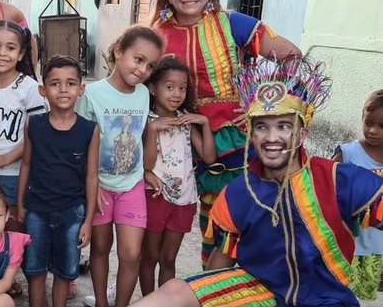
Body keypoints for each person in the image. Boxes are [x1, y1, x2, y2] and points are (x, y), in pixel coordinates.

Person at [133, 56, 383, 307]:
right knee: (176, 290)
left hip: (326, 300)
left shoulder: (338, 179)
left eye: (284, 126)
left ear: (302, 133)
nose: (271, 138)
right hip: (259, 293)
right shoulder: (237, 194)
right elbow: (217, 273)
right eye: (262, 127)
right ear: (251, 134)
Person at [130, 0, 300, 268]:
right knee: (189, 222)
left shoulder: (233, 23)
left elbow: (291, 56)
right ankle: (212, 285)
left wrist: (261, 105)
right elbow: (134, 79)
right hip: (176, 142)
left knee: (245, 213)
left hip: (234, 139)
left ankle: (247, 281)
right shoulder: (156, 34)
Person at [77, 26, 163, 307]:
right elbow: (80, 144)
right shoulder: (92, 94)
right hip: (99, 187)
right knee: (101, 249)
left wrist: (146, 171)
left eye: (150, 65)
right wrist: (90, 187)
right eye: (138, 59)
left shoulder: (143, 94)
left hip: (131, 186)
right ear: (118, 52)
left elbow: (139, 135)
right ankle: (102, 302)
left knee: (131, 254)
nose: (143, 70)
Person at [17, 55, 100, 307]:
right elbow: (26, 164)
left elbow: (92, 176)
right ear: (43, 90)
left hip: (72, 212)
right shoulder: (34, 125)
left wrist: (88, 221)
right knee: (35, 269)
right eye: (55, 83)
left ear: (81, 89)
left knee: (65, 271)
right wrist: (20, 204)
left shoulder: (90, 129)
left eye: (70, 83)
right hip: (37, 209)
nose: (63, 89)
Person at [0, 20, 45, 297]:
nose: (2, 53)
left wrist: (3, 159)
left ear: (21, 53)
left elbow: (36, 135)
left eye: (10, 48)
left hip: (17, 173)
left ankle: (14, 274)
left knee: (15, 228)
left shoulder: (29, 88)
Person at [138, 57, 215, 296]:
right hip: (155, 197)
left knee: (168, 259)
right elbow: (147, 165)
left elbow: (209, 157)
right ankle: (149, 301)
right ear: (153, 89)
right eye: (169, 87)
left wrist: (204, 123)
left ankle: (165, 301)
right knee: (149, 257)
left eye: (182, 88)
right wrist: (153, 130)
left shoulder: (186, 121)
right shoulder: (147, 121)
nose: (177, 94)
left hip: (184, 199)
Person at [333, 89, 383, 301]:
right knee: (348, 292)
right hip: (352, 242)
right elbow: (327, 190)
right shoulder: (348, 153)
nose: (372, 131)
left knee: (371, 294)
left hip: (378, 243)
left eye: (381, 126)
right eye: (368, 122)